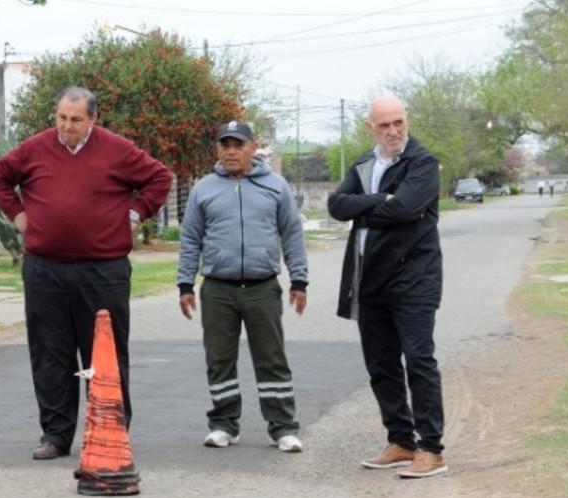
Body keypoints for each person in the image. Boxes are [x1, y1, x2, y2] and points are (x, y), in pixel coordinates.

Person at [0, 86, 173, 460]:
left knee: (104, 354)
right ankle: (55, 434)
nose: (66, 126)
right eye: (61, 118)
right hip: (45, 270)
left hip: (102, 270)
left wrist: (134, 216)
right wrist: (20, 217)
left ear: (92, 120)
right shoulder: (35, 148)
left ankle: (110, 428)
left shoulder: (117, 149)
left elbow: (160, 178)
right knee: (50, 353)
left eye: (76, 120)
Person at [327, 95, 447, 478]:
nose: (394, 131)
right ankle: (400, 441)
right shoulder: (364, 163)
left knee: (418, 360)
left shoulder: (423, 163)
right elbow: (335, 205)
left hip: (414, 280)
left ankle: (430, 448)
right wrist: (380, 200)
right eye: (384, 125)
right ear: (370, 128)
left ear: (407, 119)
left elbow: (406, 209)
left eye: (398, 122)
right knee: (380, 364)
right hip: (369, 280)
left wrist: (366, 209)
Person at [177, 121, 308, 454]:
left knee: (271, 360)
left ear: (253, 148)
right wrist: (185, 283)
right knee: (219, 360)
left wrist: (299, 279)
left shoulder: (275, 186)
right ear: (218, 150)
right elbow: (190, 238)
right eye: (225, 145)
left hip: (262, 287)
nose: (231, 151)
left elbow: (291, 233)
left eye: (238, 145)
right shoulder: (203, 189)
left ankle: (283, 428)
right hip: (218, 288)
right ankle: (223, 424)